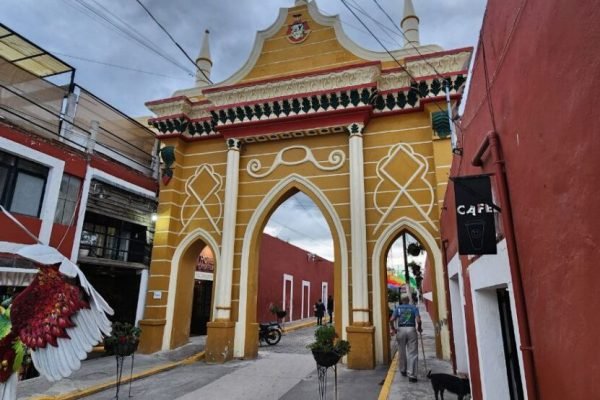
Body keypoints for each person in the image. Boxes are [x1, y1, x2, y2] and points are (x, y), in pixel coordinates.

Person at [390, 295, 422, 382]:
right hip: (411, 329)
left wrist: (393, 328)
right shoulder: (413, 308)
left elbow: (392, 319)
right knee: (413, 352)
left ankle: (403, 370)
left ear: (401, 300)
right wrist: (419, 327)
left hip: (401, 330)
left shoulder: (398, 308)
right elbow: (418, 320)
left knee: (401, 351)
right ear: (408, 300)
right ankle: (412, 375)